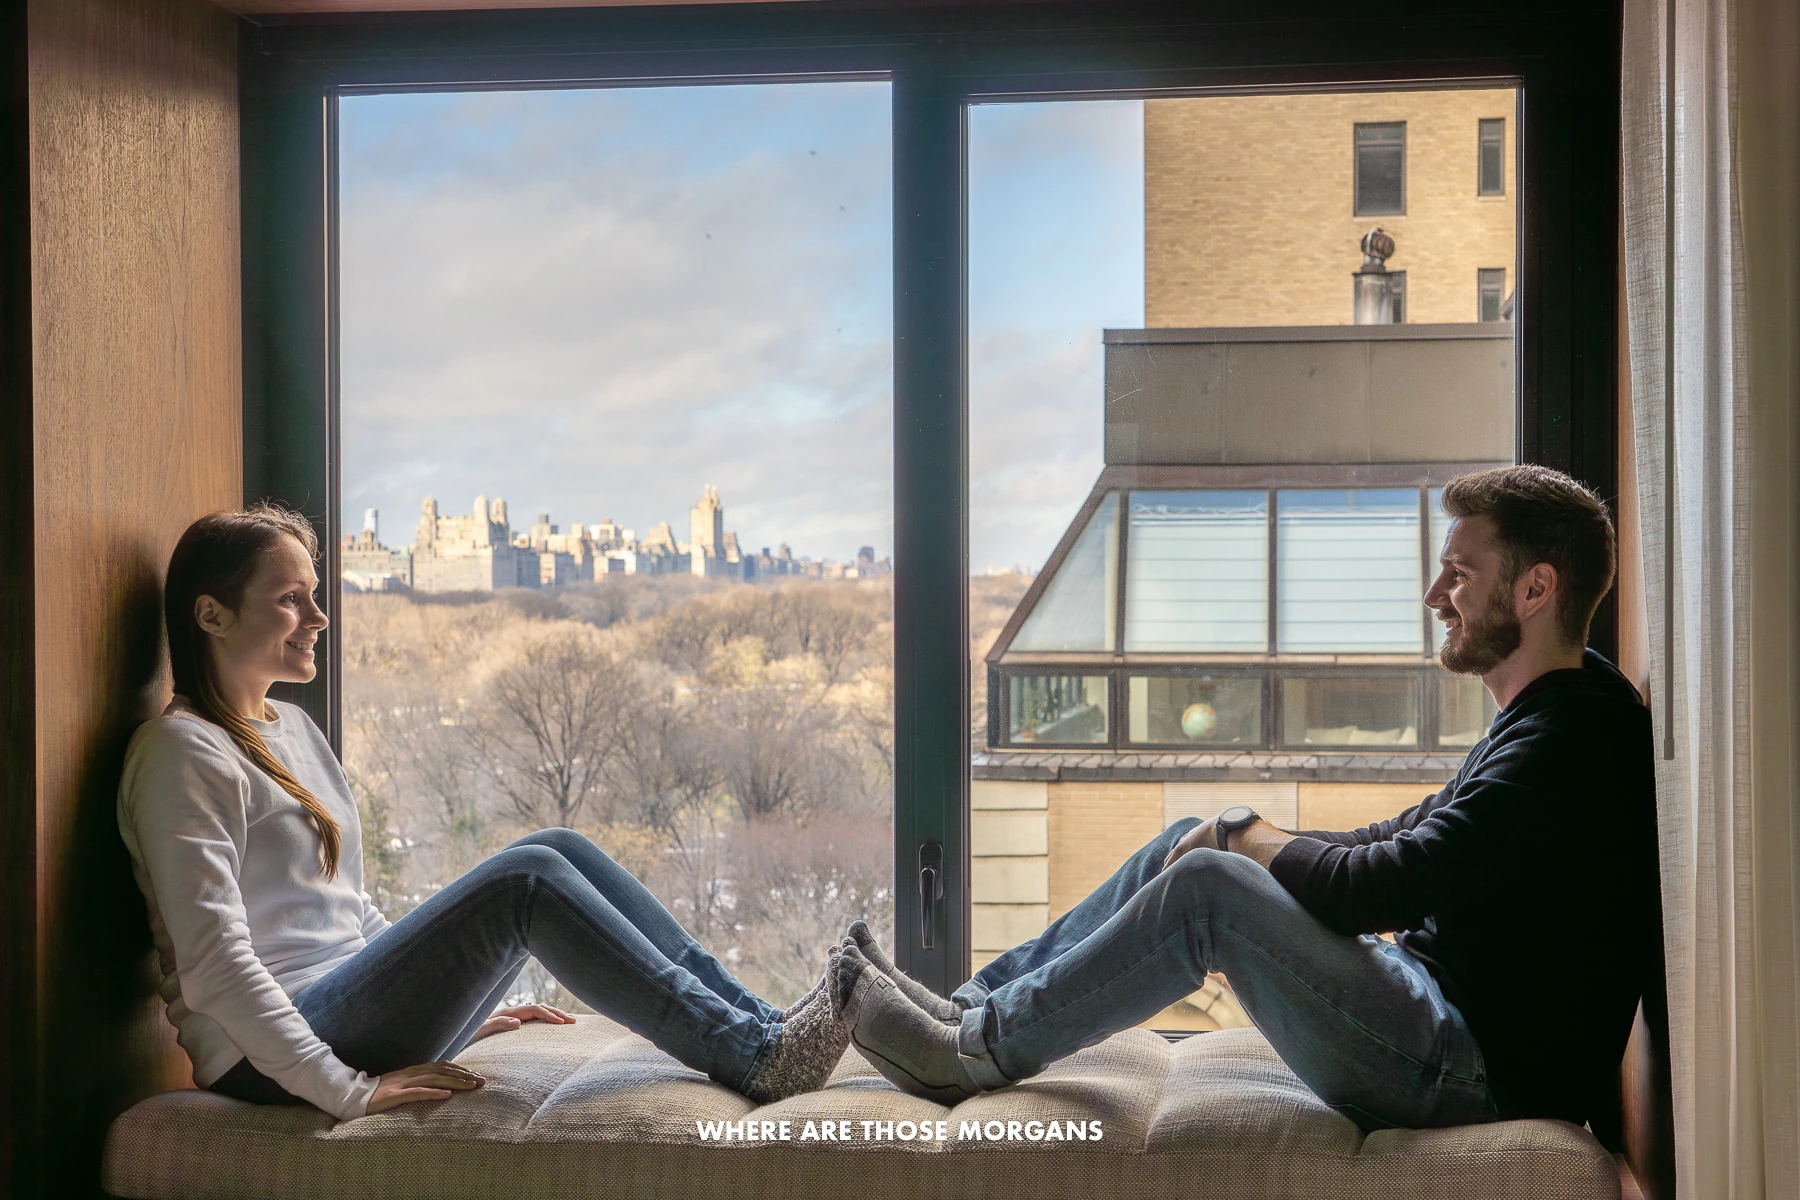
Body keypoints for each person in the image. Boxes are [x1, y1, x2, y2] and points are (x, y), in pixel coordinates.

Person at [834, 464, 1661, 1132]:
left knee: (1208, 887)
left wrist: (1246, 844)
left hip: (1464, 1069)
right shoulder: (1556, 712)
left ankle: (967, 1055)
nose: (1436, 594)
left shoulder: (1571, 740)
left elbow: (1385, 884)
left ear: (1534, 589)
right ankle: (967, 1009)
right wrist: (1242, 833)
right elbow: (1401, 838)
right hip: (1431, 1016)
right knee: (1191, 845)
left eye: (1461, 572)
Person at [118, 503, 847, 1123]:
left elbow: (344, 912)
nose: (319, 616)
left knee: (557, 844)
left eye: (314, 595)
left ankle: (762, 1025)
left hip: (343, 1008)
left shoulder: (294, 729)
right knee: (525, 881)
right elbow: (214, 967)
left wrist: (448, 995)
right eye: (289, 600)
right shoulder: (179, 755)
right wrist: (345, 1091)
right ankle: (755, 1058)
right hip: (270, 1053)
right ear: (211, 615)